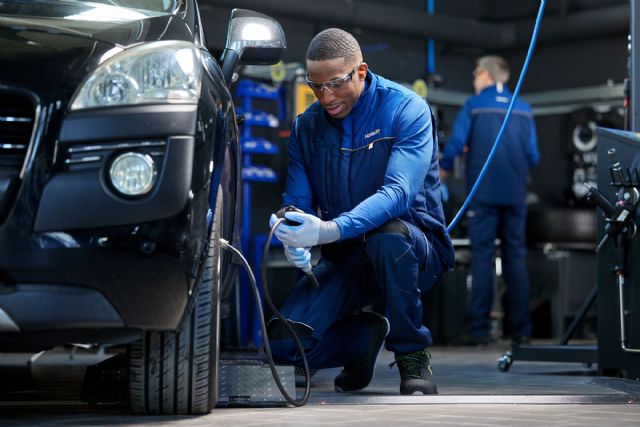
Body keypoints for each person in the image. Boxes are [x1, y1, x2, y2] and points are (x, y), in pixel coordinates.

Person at [266, 28, 455, 396]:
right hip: (346, 254)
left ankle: (411, 353)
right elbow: (298, 200)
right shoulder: (307, 126)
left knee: (387, 238)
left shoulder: (406, 109)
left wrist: (328, 230)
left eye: (335, 84)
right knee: (282, 345)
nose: (326, 97)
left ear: (361, 71)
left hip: (413, 249)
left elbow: (398, 193)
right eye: (316, 86)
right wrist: (289, 226)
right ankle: (363, 337)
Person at [440, 55, 540, 345]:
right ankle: (521, 330)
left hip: (482, 194)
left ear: (485, 74)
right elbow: (534, 155)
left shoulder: (474, 106)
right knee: (516, 258)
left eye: (475, 74)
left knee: (482, 258)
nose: (474, 81)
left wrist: (444, 170)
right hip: (515, 194)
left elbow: (457, 144)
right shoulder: (523, 108)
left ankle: (479, 331)